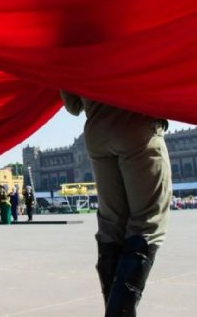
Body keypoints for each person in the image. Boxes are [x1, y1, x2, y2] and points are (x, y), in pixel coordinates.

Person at [60, 91, 172, 316]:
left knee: (111, 228)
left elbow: (73, 106)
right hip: (136, 126)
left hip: (97, 135)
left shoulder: (69, 52)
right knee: (147, 223)